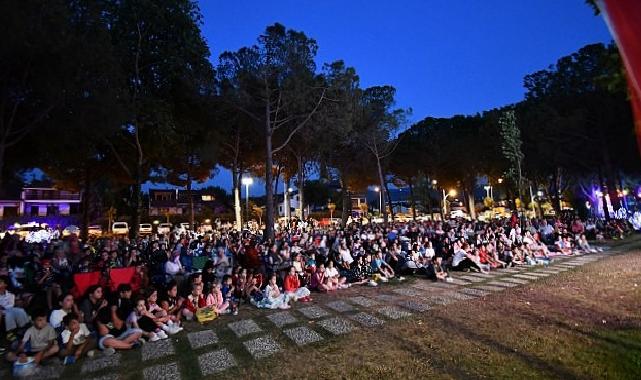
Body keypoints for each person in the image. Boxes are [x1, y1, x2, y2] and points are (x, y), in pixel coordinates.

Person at [0, 276, 30, 345]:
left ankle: (23, 328)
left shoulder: (10, 295)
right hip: (2, 312)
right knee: (9, 313)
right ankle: (10, 333)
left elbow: (11, 305)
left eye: (1, 282)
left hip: (9, 310)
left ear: (5, 285)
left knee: (19, 310)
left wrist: (3, 306)